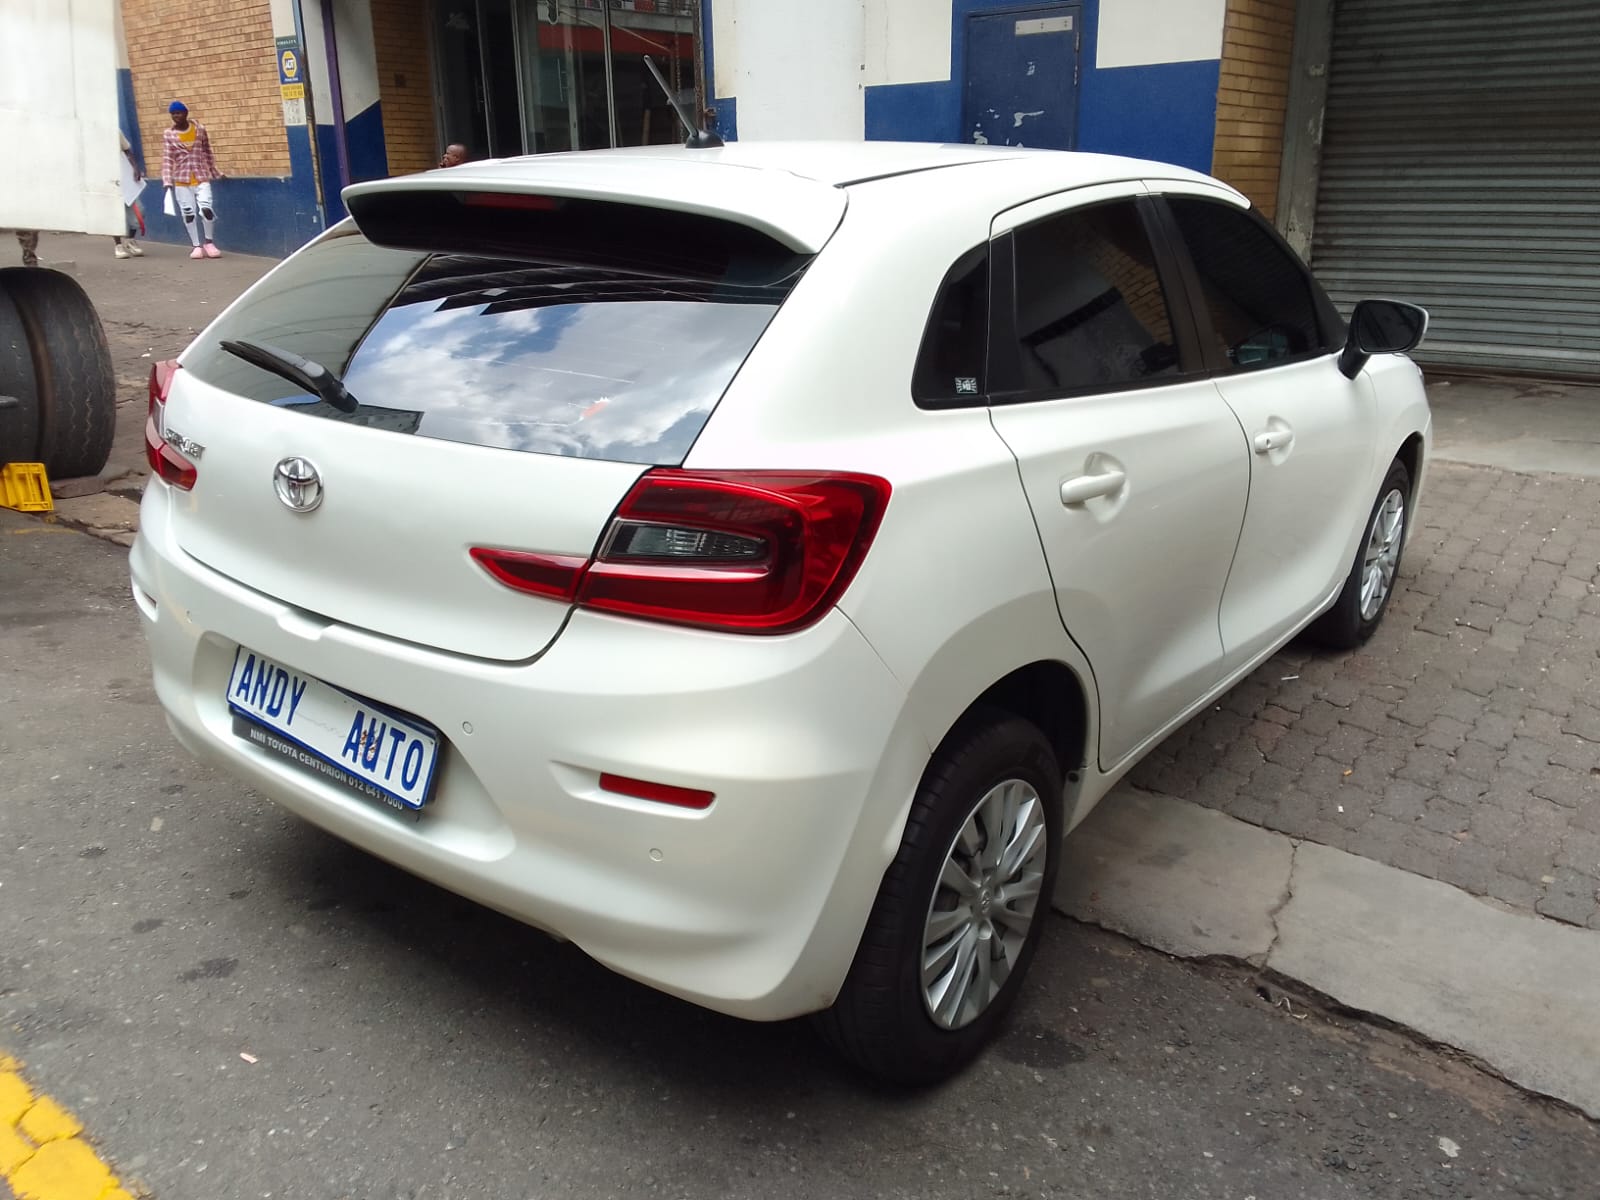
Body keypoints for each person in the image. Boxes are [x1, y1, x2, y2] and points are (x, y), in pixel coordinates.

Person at [161, 101, 224, 259]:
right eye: (173, 114)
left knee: (206, 210)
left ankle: (208, 242)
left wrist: (215, 172)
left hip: (201, 176)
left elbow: (207, 151)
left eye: (179, 113)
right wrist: (167, 181)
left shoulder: (199, 129)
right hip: (182, 179)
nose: (176, 116)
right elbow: (168, 159)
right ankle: (196, 245)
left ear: (186, 113)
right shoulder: (169, 134)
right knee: (188, 213)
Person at [114, 131, 145, 259]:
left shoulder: (115, 131)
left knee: (139, 210)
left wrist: (135, 168)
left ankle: (130, 240)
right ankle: (118, 245)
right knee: (114, 214)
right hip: (106, 179)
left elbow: (127, 150)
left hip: (125, 177)